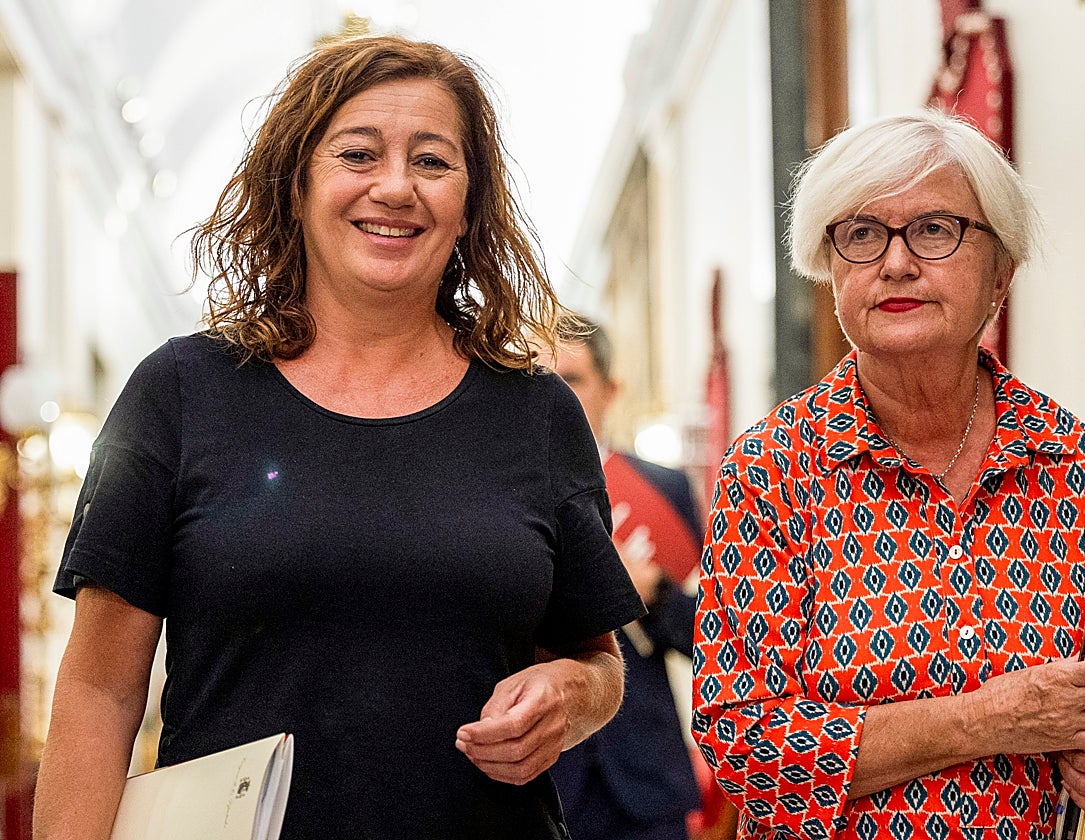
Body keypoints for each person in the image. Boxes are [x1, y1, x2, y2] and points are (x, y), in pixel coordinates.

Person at [32, 35, 645, 840]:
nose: (395, 188)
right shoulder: (182, 393)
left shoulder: (536, 414)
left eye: (432, 161)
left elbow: (597, 658)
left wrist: (571, 697)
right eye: (358, 154)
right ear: (296, 186)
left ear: (469, 205)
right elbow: (101, 692)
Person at [691, 109, 1085, 840]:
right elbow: (744, 743)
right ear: (830, 269)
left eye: (935, 229)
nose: (895, 262)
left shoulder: (1079, 466)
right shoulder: (774, 472)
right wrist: (986, 720)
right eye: (862, 235)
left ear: (1001, 273)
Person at [546, 318, 704, 840]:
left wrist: (653, 592)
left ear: (610, 390)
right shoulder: (506, 499)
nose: (555, 395)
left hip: (646, 779)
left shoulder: (665, 490)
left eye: (571, 379)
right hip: (547, 780)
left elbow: (715, 644)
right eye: (540, 379)